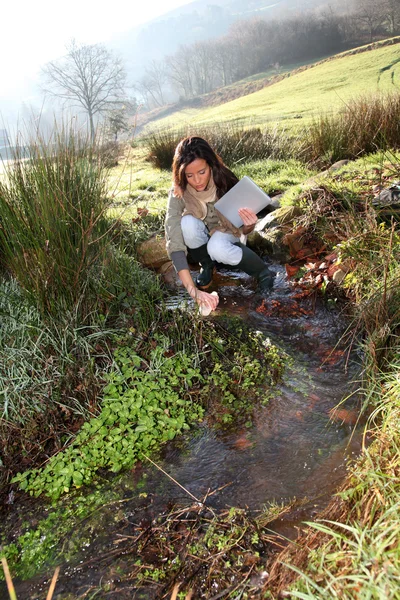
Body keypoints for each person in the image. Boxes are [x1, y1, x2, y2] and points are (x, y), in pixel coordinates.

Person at [165, 136, 274, 312]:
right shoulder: (178, 192)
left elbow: (242, 228)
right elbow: (174, 242)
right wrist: (194, 292)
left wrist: (249, 225)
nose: (197, 181)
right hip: (201, 237)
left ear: (211, 165)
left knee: (217, 247)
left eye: (202, 172)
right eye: (189, 175)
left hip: (227, 232)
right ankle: (206, 265)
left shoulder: (226, 179)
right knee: (186, 223)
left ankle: (263, 273)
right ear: (181, 174)